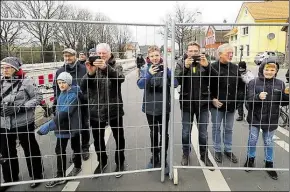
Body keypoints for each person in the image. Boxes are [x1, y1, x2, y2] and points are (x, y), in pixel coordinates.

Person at [80, 43, 126, 178]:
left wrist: (106, 68)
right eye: (98, 54)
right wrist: (90, 73)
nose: (100, 56)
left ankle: (120, 161)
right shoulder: (92, 66)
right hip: (95, 110)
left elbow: (120, 78)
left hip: (114, 109)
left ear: (109, 54)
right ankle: (102, 161)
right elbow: (83, 87)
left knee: (119, 137)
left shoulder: (116, 66)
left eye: (103, 54)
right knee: (98, 139)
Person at [0, 57, 44, 191]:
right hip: (4, 123)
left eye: (7, 67)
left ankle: (37, 175)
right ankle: (10, 178)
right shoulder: (0, 82)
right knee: (6, 152)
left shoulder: (26, 81)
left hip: (23, 122)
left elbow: (38, 98)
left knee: (30, 149)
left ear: (15, 69)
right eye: (2, 68)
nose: (4, 70)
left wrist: (20, 108)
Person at [244, 59, 289, 180]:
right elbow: (248, 102)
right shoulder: (253, 82)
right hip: (255, 117)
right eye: (267, 69)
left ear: (276, 71)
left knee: (269, 142)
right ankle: (250, 159)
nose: (269, 72)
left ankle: (269, 163)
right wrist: (258, 97)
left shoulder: (280, 83)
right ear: (262, 69)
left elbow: (283, 102)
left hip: (271, 118)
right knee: (252, 140)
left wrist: (287, 96)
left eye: (272, 70)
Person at [38, 72, 83, 187]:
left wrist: (48, 126)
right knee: (59, 150)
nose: (61, 85)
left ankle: (77, 167)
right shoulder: (62, 93)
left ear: (69, 83)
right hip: (61, 126)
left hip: (72, 126)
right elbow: (58, 110)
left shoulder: (74, 94)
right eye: (59, 83)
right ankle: (60, 174)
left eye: (64, 82)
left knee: (76, 147)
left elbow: (65, 113)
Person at [137, 45, 178, 173]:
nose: (154, 58)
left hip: (164, 107)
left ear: (160, 56)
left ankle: (163, 159)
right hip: (150, 108)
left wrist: (168, 71)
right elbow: (140, 85)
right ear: (148, 57)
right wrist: (149, 74)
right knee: (153, 133)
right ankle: (154, 156)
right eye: (152, 56)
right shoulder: (144, 69)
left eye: (157, 55)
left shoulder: (166, 69)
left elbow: (175, 84)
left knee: (164, 133)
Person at [175, 41, 214, 168]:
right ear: (187, 52)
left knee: (203, 132)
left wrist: (207, 67)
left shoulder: (205, 62)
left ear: (200, 52)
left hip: (202, 103)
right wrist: (185, 68)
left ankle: (204, 155)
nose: (193, 53)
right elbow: (176, 81)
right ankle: (186, 154)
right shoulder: (181, 63)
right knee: (186, 132)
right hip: (187, 102)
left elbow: (214, 80)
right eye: (190, 51)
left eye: (195, 51)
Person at [53, 48, 90, 161]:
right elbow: (56, 88)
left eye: (70, 56)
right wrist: (56, 102)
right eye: (65, 56)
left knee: (83, 125)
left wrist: (85, 98)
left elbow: (89, 85)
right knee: (71, 126)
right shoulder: (60, 71)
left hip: (82, 102)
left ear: (75, 56)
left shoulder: (83, 69)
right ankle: (76, 150)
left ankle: (85, 147)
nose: (68, 58)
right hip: (66, 104)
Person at [209, 44, 243, 164]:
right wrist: (212, 99)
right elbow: (206, 86)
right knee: (216, 128)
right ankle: (217, 150)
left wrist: (238, 100)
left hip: (231, 105)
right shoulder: (212, 67)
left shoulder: (235, 67)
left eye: (232, 53)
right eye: (228, 52)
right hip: (216, 105)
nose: (231, 55)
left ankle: (228, 150)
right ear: (219, 54)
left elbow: (240, 86)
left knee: (228, 129)